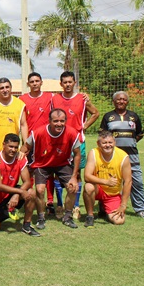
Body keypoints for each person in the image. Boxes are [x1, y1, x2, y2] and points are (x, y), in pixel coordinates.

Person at [20, 109, 81, 230]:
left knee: (72, 187)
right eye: (56, 121)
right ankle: (41, 217)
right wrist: (21, 160)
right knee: (40, 189)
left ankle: (67, 216)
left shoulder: (72, 133)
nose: (59, 124)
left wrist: (74, 177)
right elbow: (25, 148)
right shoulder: (38, 132)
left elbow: (77, 154)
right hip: (42, 163)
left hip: (62, 163)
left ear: (66, 121)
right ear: (49, 121)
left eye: (62, 121)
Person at [51, 71, 99, 219]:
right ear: (61, 84)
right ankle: (59, 204)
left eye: (70, 82)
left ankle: (76, 206)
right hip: (59, 141)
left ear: (74, 83)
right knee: (58, 174)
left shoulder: (82, 98)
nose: (67, 85)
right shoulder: (55, 99)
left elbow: (95, 113)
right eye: (64, 82)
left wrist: (84, 126)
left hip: (77, 141)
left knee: (76, 174)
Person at [99, 91, 144, 220]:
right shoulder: (108, 117)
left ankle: (141, 209)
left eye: (123, 99)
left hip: (132, 155)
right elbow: (103, 137)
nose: (121, 101)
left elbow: (138, 134)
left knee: (136, 182)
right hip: (112, 156)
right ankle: (104, 208)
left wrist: (129, 143)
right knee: (109, 181)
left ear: (127, 102)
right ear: (113, 101)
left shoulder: (134, 116)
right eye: (118, 99)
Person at [0, 133, 40, 236]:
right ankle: (6, 211)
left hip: (10, 193)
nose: (13, 150)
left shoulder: (20, 159)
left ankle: (27, 225)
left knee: (31, 192)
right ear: (3, 144)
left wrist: (16, 195)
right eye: (10, 146)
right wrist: (20, 192)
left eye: (15, 147)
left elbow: (27, 181)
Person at [19, 72, 58, 215]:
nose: (35, 83)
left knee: (48, 172)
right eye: (32, 81)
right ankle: (30, 198)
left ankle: (49, 201)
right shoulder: (22, 99)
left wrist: (84, 97)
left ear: (41, 82)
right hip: (29, 142)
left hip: (47, 141)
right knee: (29, 171)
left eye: (37, 81)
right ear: (28, 84)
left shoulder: (51, 97)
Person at [83, 130, 133, 227]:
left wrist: (123, 205)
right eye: (104, 143)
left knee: (119, 221)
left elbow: (128, 181)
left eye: (110, 142)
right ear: (98, 143)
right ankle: (90, 216)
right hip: (98, 189)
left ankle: (104, 209)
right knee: (88, 187)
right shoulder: (93, 153)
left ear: (114, 142)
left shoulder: (123, 157)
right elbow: (87, 176)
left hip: (113, 193)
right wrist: (106, 182)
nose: (107, 145)